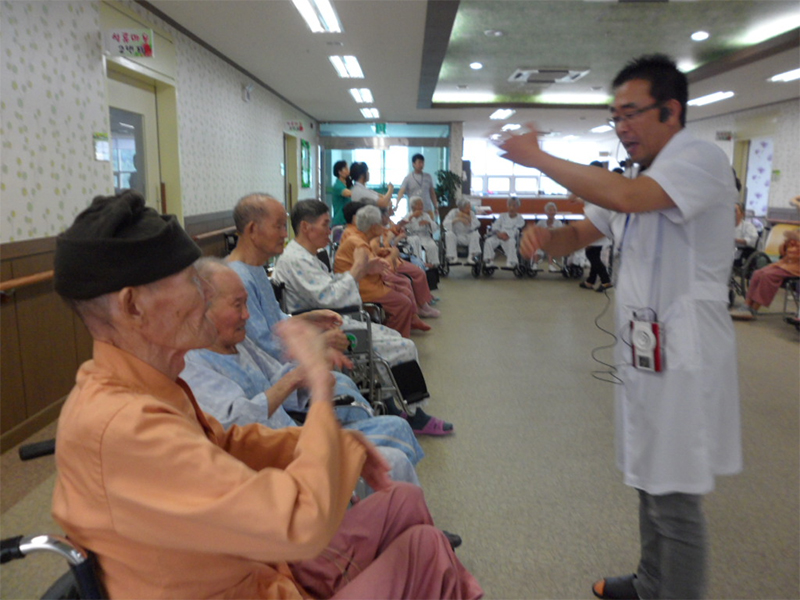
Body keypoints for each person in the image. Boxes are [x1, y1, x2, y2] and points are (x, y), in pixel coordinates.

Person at [50, 190, 482, 600]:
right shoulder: (123, 425)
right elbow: (298, 523)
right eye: (190, 282)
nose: (205, 295)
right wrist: (313, 376)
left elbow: (227, 442)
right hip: (243, 579)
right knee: (425, 551)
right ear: (132, 306)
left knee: (401, 500)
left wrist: (343, 443)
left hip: (259, 568)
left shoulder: (147, 381)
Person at [499, 54, 741, 600]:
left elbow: (626, 201)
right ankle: (652, 580)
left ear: (671, 111)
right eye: (616, 116)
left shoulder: (698, 158)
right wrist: (544, 238)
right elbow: (584, 232)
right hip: (646, 351)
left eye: (631, 113)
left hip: (686, 352)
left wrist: (538, 157)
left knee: (674, 496)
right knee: (646, 476)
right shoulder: (637, 176)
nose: (622, 126)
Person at [181, 258, 424, 487]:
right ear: (202, 308)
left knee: (394, 427)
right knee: (393, 460)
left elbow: (275, 371)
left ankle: (400, 515)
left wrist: (311, 364)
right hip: (277, 462)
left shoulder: (239, 342)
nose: (247, 314)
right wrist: (300, 374)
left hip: (293, 434)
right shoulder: (192, 365)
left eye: (246, 303)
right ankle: (395, 516)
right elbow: (236, 427)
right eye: (238, 305)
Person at [274, 200, 454, 436]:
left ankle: (392, 406)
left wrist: (361, 270)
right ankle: (415, 416)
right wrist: (358, 269)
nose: (331, 231)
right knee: (404, 346)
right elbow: (331, 297)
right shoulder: (296, 259)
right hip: (323, 329)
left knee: (393, 336)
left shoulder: (308, 256)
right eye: (326, 225)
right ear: (307, 227)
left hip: (333, 318)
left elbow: (331, 288)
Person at [334, 204, 433, 337]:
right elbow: (383, 269)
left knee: (403, 290)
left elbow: (372, 261)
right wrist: (393, 254)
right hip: (362, 287)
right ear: (374, 226)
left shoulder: (360, 238)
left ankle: (404, 326)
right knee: (402, 303)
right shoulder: (358, 242)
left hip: (367, 282)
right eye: (381, 224)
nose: (384, 228)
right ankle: (393, 338)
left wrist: (383, 251)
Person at [730, 228, 799, 320]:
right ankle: (746, 306)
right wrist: (787, 243)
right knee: (758, 273)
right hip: (785, 264)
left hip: (796, 267)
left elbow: (794, 255)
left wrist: (795, 243)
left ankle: (753, 310)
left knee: (768, 276)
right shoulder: (797, 232)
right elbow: (783, 252)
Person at [576, 162, 614, 291]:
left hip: (596, 221)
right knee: (594, 254)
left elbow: (577, 197)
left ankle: (606, 281)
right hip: (599, 220)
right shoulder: (602, 184)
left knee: (591, 254)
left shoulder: (592, 184)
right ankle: (590, 281)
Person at [482, 197, 526, 269]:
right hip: (498, 235)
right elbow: (495, 225)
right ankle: (489, 260)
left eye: (514, 206)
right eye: (510, 205)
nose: (511, 208)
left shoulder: (520, 218)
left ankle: (511, 262)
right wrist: (498, 233)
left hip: (510, 237)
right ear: (507, 206)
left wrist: (507, 234)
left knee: (511, 242)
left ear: (518, 207)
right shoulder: (502, 216)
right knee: (488, 241)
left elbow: (517, 229)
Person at [397, 153, 439, 219]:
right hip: (414, 210)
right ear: (413, 164)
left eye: (422, 163)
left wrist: (436, 206)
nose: (421, 165)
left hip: (427, 209)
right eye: (419, 163)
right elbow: (401, 191)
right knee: (415, 227)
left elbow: (432, 193)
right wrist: (397, 204)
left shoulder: (428, 177)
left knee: (430, 226)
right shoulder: (408, 178)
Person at [403, 195, 440, 267]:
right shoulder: (408, 216)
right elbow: (403, 227)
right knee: (414, 243)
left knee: (432, 246)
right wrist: (411, 217)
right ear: (413, 207)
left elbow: (434, 226)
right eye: (419, 205)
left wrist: (428, 223)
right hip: (412, 236)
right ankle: (418, 263)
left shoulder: (426, 215)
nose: (421, 207)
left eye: (422, 204)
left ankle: (433, 264)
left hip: (425, 236)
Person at [443, 198, 481, 264]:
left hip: (468, 235)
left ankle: (471, 257)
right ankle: (453, 257)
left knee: (476, 234)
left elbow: (477, 224)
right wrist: (457, 219)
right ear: (461, 208)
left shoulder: (471, 213)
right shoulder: (453, 212)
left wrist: (468, 218)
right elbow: (445, 223)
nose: (469, 209)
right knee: (449, 234)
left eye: (470, 207)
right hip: (456, 236)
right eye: (467, 208)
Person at [536, 201, 564, 272]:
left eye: (554, 210)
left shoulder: (558, 223)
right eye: (550, 210)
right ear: (546, 212)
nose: (552, 212)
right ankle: (534, 264)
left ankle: (550, 264)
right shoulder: (541, 222)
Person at [733, 203, 759, 267]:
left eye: (735, 211)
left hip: (741, 253)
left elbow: (752, 240)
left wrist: (736, 240)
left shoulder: (748, 226)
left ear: (742, 214)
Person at [330, 159, 352, 226]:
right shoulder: (338, 185)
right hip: (339, 222)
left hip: (347, 221)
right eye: (345, 168)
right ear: (339, 172)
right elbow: (348, 193)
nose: (348, 170)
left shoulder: (348, 185)